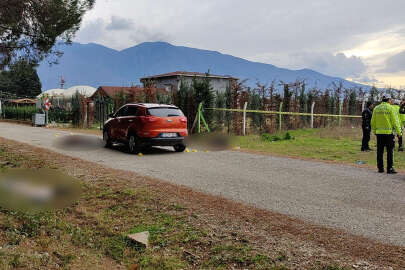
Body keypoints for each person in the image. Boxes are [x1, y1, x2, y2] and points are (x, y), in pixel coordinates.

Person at [371, 94, 402, 174]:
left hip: (379, 134)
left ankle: (380, 168)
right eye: (390, 99)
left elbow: (373, 121)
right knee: (390, 151)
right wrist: (399, 132)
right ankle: (390, 168)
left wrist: (375, 131)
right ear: (388, 100)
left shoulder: (376, 108)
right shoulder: (391, 108)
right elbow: (395, 122)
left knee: (380, 151)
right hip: (389, 133)